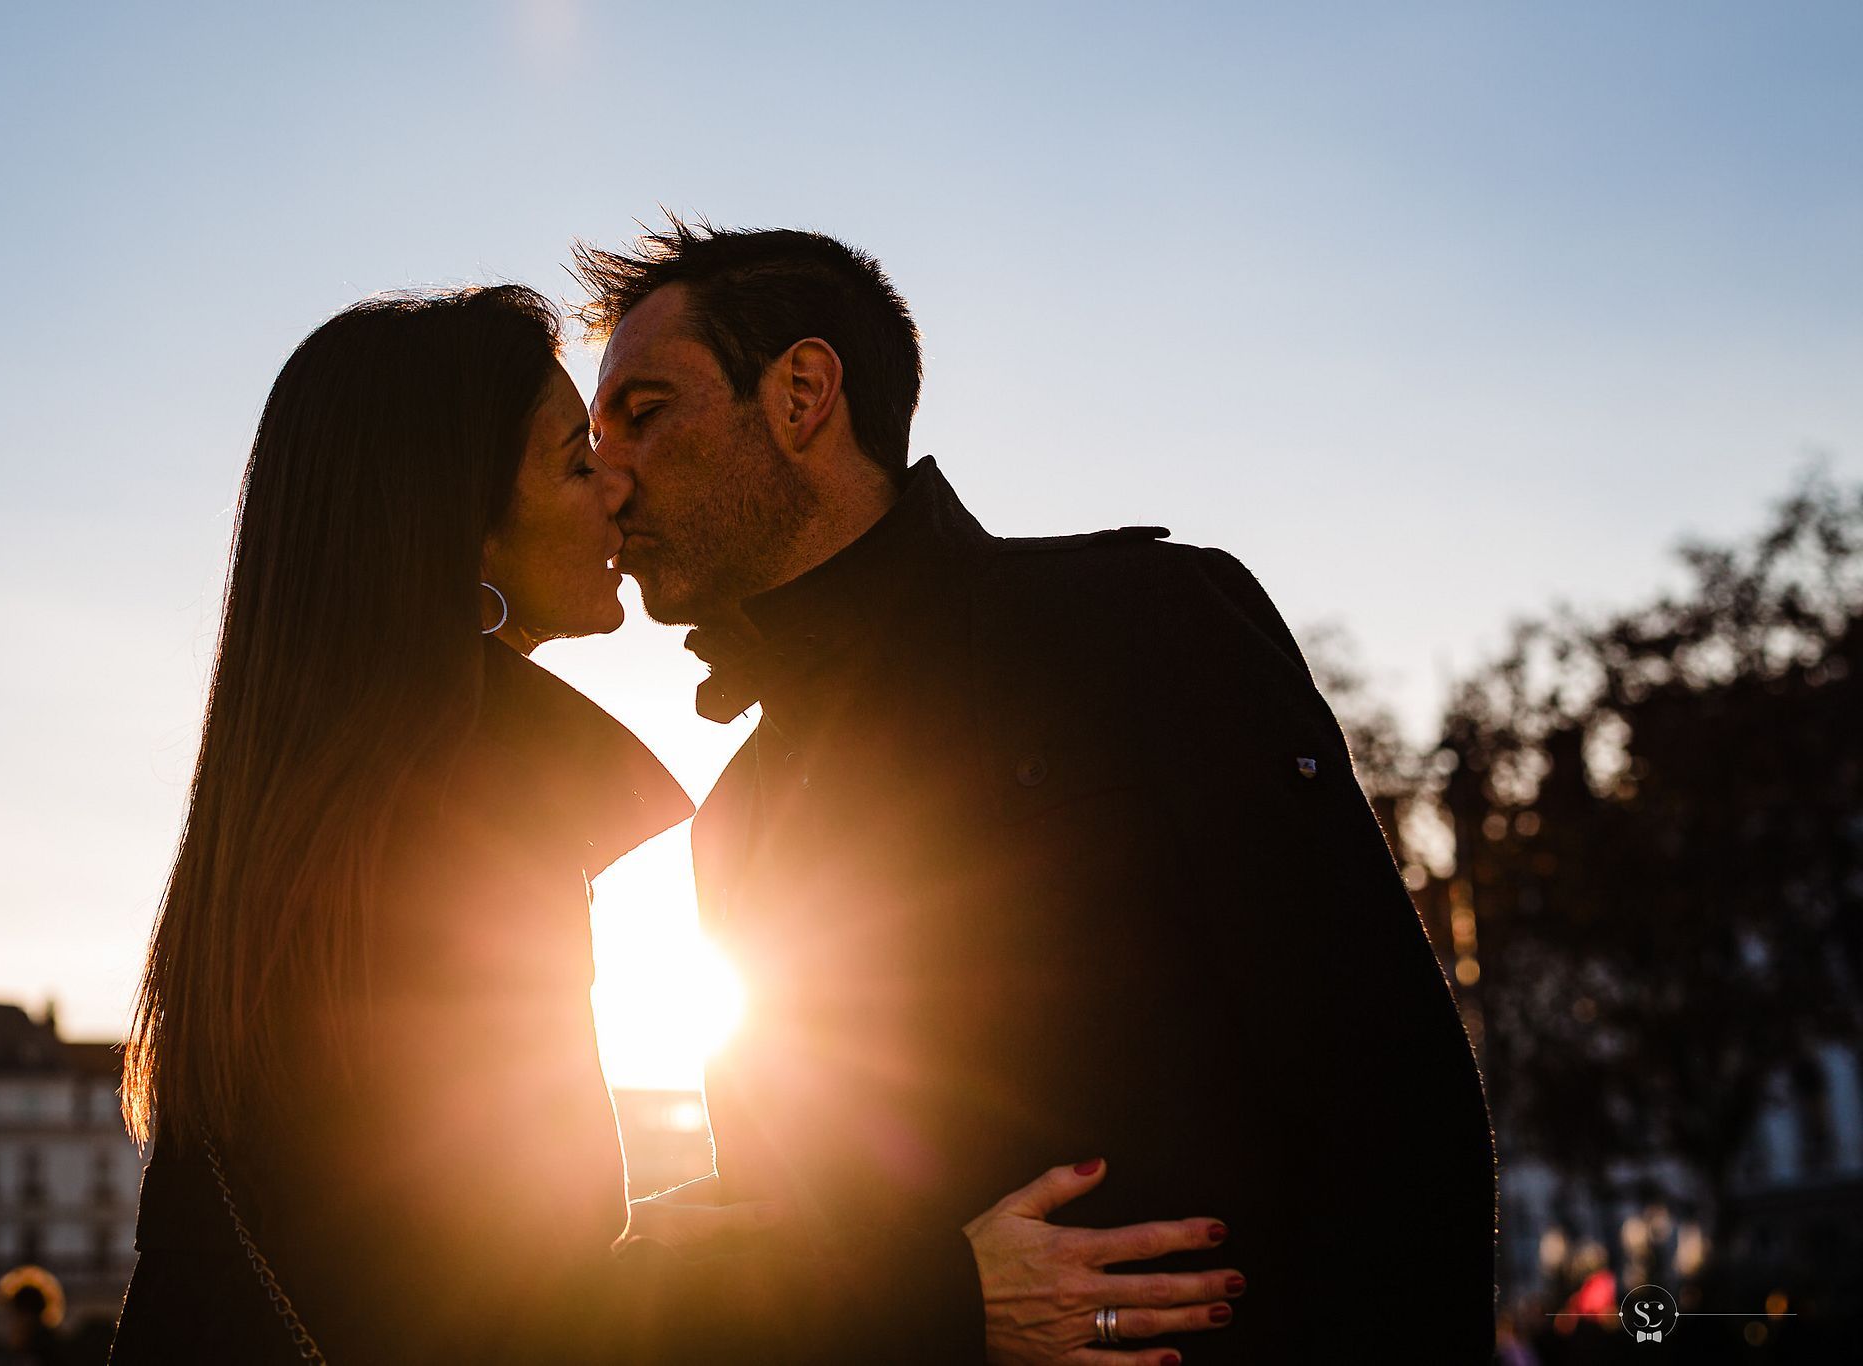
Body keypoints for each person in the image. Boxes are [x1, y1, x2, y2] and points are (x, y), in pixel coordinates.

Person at [109, 284, 1244, 1365]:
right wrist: (945, 1298)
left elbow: (416, 1252)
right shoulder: (452, 825)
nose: (614, 486)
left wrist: (662, 1233)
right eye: (572, 460)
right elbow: (511, 1330)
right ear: (457, 533)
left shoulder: (343, 817)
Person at [574, 219, 1500, 1363]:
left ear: (802, 391)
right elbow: (808, 1255)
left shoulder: (1142, 624)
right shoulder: (736, 824)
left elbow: (1389, 1101)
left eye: (644, 411)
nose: (607, 474)